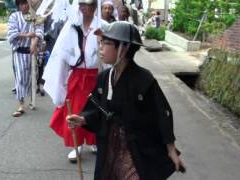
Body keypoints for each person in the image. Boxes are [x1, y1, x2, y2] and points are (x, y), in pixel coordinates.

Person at [67, 21, 185, 179]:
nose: (100, 47)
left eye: (106, 43)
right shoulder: (104, 78)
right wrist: (83, 119)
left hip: (134, 151)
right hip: (109, 148)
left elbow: (161, 114)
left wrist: (171, 149)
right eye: (100, 42)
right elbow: (97, 109)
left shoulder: (144, 80)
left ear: (124, 48)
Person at [43, 0, 101, 162]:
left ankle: (94, 141)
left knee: (97, 111)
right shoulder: (71, 26)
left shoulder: (102, 26)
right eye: (80, 3)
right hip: (77, 77)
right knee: (75, 111)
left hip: (96, 77)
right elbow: (61, 56)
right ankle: (77, 145)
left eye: (87, 3)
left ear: (95, 6)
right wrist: (60, 84)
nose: (82, 7)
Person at [7, 0, 43, 117]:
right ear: (18, 5)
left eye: (26, 3)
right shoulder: (14, 16)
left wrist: (35, 42)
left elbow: (39, 31)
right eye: (22, 4)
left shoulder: (37, 16)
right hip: (20, 52)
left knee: (33, 77)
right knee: (21, 77)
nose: (25, 6)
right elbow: (12, 34)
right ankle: (21, 104)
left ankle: (32, 101)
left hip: (33, 52)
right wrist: (27, 35)